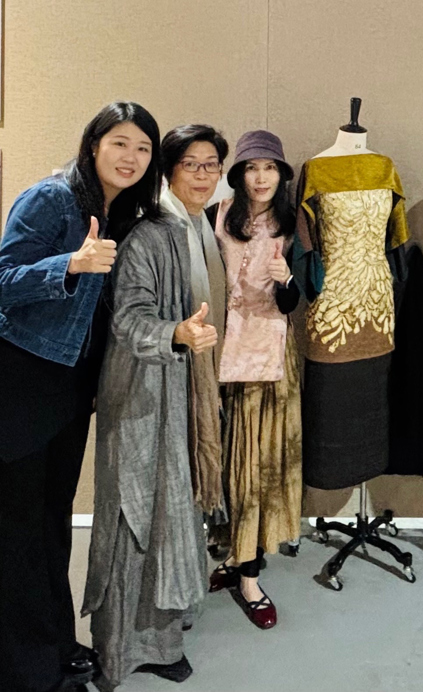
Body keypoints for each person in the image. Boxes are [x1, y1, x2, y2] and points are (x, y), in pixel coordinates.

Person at [0, 102, 160, 692]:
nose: (130, 157)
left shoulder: (123, 213)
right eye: (120, 143)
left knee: (53, 521)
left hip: (69, 386)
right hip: (21, 379)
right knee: (17, 528)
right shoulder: (51, 198)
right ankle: (26, 671)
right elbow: (2, 280)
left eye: (142, 148)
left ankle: (57, 645)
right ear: (94, 144)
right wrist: (69, 263)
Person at [82, 124, 228, 689]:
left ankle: (165, 626)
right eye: (191, 164)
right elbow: (128, 318)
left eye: (212, 164)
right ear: (169, 171)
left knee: (172, 509)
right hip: (143, 391)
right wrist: (176, 335)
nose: (203, 174)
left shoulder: (197, 226)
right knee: (138, 513)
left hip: (180, 384)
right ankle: (127, 647)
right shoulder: (150, 233)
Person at [206, 130, 302, 629]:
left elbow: (295, 301)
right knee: (226, 464)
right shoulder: (216, 216)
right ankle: (231, 554)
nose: (261, 177)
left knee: (261, 467)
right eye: (251, 167)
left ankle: (250, 575)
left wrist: (287, 281)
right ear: (238, 175)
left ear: (282, 175)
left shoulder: (294, 223)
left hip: (271, 359)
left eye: (270, 167)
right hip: (220, 355)